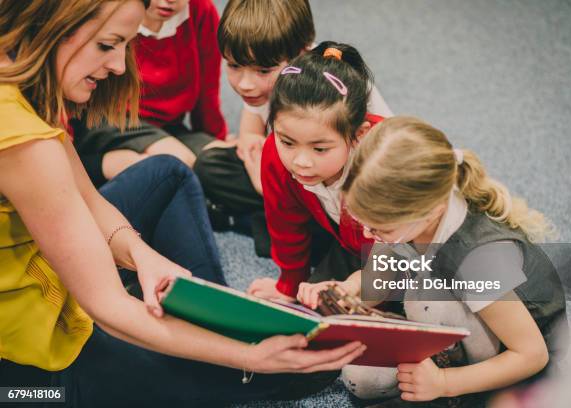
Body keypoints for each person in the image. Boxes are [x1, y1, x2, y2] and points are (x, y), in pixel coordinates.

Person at [0, 1, 366, 406]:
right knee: (306, 366)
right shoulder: (23, 142)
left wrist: (140, 254)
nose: (120, 65)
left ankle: (218, 319)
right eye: (108, 45)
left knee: (170, 173)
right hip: (33, 367)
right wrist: (247, 356)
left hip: (60, 277)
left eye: (126, 45)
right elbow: (106, 306)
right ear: (56, 26)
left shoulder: (21, 87)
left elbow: (87, 200)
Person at [297, 116, 568, 407]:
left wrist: (445, 384)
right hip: (461, 326)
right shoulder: (404, 218)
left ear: (429, 211)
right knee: (361, 377)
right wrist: (343, 290)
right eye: (365, 222)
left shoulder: (479, 261)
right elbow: (376, 284)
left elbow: (532, 355)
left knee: (425, 301)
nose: (367, 233)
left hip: (517, 365)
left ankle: (463, 391)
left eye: (379, 228)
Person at [195, 0, 392, 255]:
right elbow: (252, 124)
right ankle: (278, 221)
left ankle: (273, 226)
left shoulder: (339, 86)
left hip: (344, 190)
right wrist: (251, 146)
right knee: (209, 165)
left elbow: (388, 154)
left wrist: (269, 185)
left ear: (302, 53)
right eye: (234, 66)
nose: (245, 84)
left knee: (352, 249)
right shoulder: (264, 86)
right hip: (294, 171)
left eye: (263, 70)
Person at [246, 42, 388, 301]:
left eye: (319, 149)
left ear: (359, 135)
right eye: (287, 142)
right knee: (313, 306)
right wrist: (289, 285)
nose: (301, 161)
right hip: (352, 245)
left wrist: (357, 286)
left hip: (417, 253)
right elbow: (284, 222)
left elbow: (403, 252)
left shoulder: (386, 160)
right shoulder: (275, 153)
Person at [72, 0, 229, 187]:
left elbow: (208, 90)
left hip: (170, 126)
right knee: (179, 162)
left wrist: (216, 138)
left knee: (225, 161)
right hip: (113, 119)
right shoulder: (119, 11)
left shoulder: (201, 11)